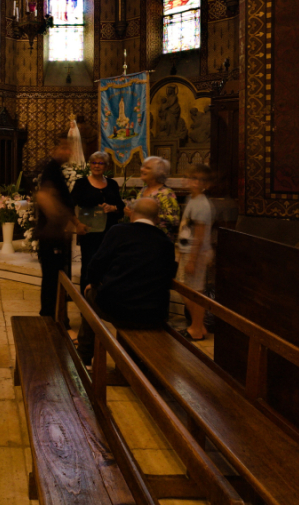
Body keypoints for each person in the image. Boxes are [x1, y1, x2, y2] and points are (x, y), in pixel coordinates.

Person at [76, 197, 177, 362]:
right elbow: (168, 276)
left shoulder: (118, 231)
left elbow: (96, 265)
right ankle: (138, 364)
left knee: (90, 296)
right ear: (157, 218)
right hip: (153, 313)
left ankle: (84, 356)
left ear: (132, 214)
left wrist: (93, 284)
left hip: (117, 308)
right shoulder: (166, 242)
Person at [35, 136, 86, 322]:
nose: (68, 152)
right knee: (52, 279)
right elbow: (44, 197)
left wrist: (76, 223)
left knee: (57, 278)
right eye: (64, 148)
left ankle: (57, 316)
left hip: (56, 235)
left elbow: (63, 200)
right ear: (54, 150)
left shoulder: (56, 170)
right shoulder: (51, 170)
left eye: (69, 148)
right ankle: (50, 317)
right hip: (51, 236)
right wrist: (59, 221)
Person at [71, 152, 123, 294]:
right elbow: (68, 206)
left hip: (109, 233)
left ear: (106, 166)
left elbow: (121, 206)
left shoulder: (112, 184)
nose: (97, 166)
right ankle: (86, 302)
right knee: (89, 265)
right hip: (90, 232)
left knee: (108, 265)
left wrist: (113, 208)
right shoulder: (81, 183)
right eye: (94, 163)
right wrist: (77, 224)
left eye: (100, 163)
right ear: (90, 165)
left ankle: (103, 301)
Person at [177, 163, 214, 341]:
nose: (196, 182)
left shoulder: (202, 204)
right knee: (185, 290)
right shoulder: (192, 199)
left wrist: (192, 259)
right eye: (193, 178)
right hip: (188, 251)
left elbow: (199, 235)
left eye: (200, 180)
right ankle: (199, 325)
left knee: (195, 292)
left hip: (196, 253)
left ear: (206, 184)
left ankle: (197, 328)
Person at [140, 156, 180, 242]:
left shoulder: (166, 193)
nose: (142, 169)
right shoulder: (142, 190)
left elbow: (175, 220)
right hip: (142, 237)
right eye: (143, 166)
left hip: (159, 240)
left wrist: (154, 218)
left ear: (157, 173)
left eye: (147, 168)